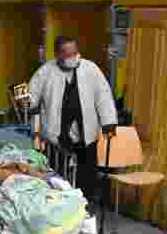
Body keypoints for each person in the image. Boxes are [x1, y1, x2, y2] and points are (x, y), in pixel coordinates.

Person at [26, 35, 117, 210]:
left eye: (75, 53)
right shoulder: (45, 72)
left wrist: (109, 122)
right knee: (56, 173)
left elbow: (103, 96)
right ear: (57, 54)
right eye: (68, 54)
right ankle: (57, 208)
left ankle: (85, 206)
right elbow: (31, 98)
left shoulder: (91, 69)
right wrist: (25, 103)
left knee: (87, 172)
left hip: (86, 131)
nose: (73, 57)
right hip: (56, 134)